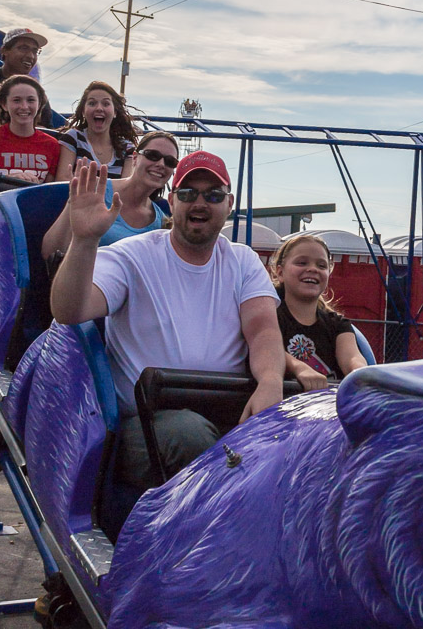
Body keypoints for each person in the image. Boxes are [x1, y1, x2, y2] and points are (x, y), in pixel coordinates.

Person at [50, 151, 284, 490]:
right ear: (171, 201)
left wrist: (271, 383)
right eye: (188, 194)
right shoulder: (132, 255)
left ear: (229, 203)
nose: (200, 203)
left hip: (227, 411)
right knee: (191, 437)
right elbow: (69, 310)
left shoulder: (242, 260)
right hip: (147, 425)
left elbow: (263, 328)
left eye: (213, 195)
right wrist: (85, 241)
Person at [43, 131, 178, 260]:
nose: (161, 164)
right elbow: (50, 252)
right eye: (152, 155)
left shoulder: (162, 223)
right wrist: (72, 204)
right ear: (135, 158)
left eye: (170, 162)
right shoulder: (94, 191)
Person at [269, 234, 367, 390]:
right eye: (302, 263)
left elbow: (351, 357)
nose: (312, 269)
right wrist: (299, 368)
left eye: (321, 266)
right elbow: (266, 349)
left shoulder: (338, 324)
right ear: (280, 272)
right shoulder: (268, 316)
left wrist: (361, 373)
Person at [0, 76, 60, 222]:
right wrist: (5, 182)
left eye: (31, 100)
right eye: (17, 100)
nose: (24, 106)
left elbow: (50, 191)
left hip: (37, 216)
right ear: (4, 104)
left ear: (40, 104)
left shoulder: (52, 145)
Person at [55, 81, 137, 180]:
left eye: (106, 104)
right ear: (83, 111)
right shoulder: (73, 138)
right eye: (92, 103)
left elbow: (126, 187)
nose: (99, 108)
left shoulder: (128, 148)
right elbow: (61, 180)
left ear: (115, 112)